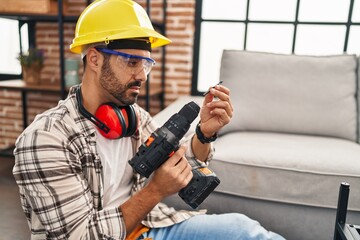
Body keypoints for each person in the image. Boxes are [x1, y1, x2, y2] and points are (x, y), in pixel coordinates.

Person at [12, 0, 285, 239]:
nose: (142, 76)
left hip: (149, 226)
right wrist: (154, 191)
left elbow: (181, 164)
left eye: (146, 64)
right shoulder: (46, 139)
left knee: (243, 231)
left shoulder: (133, 118)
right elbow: (80, 236)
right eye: (132, 62)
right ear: (94, 59)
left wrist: (203, 134)